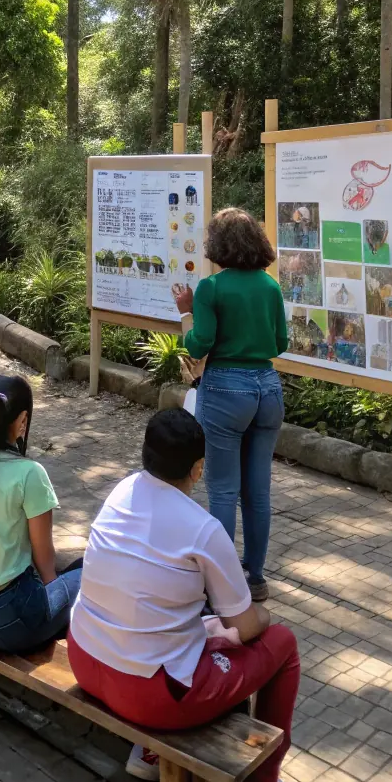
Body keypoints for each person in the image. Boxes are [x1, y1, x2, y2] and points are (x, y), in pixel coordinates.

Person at [67, 409, 312, 782]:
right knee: (279, 643)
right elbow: (246, 623)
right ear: (198, 469)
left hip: (85, 659)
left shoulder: (121, 490)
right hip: (149, 695)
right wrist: (264, 615)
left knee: (195, 627)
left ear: (145, 455)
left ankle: (147, 753)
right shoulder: (204, 529)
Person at [172, 208, 288, 603]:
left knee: (222, 491)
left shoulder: (211, 288)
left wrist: (186, 311)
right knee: (257, 493)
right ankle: (255, 577)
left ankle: (221, 584)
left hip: (224, 390)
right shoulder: (269, 287)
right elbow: (281, 343)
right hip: (268, 390)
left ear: (217, 245)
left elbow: (197, 344)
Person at [0, 375, 81, 652]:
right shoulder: (29, 473)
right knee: (87, 570)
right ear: (22, 421)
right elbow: (44, 561)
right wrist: (56, 603)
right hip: (9, 621)